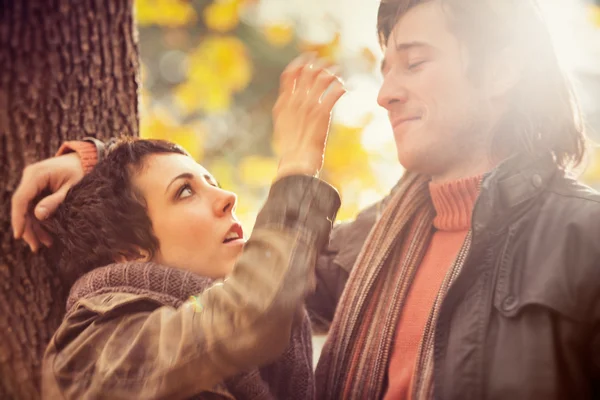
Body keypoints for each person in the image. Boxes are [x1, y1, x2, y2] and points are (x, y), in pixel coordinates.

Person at [11, 1, 600, 399]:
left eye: (414, 63)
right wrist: (97, 167)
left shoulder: (582, 238)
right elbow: (262, 288)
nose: (386, 93)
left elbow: (273, 275)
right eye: (387, 69)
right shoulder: (92, 351)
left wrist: (103, 165)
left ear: (502, 70)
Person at [15, 57, 345, 399]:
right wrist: (296, 167)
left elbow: (357, 254)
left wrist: (100, 159)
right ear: (129, 252)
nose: (227, 197)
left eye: (213, 182)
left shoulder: (208, 307)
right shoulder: (92, 353)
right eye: (185, 191)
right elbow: (247, 310)